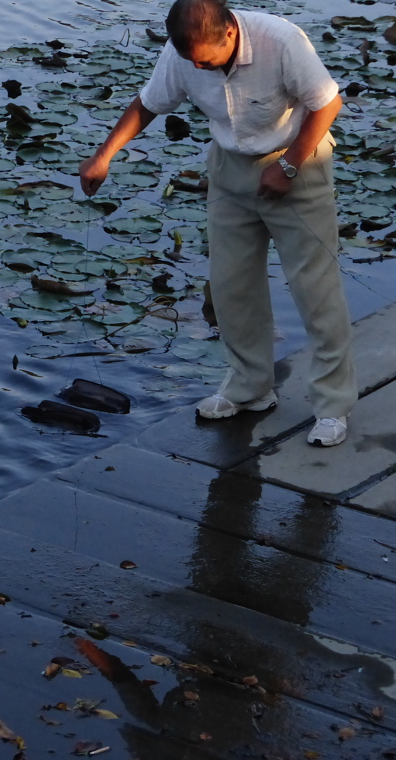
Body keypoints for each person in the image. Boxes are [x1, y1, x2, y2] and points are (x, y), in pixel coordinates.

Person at [78, 0, 357, 447]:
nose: (197, 68)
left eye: (204, 60)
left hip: (297, 164)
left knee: (315, 289)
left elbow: (327, 104)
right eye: (190, 61)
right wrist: (103, 156)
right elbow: (148, 104)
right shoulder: (184, 51)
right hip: (230, 170)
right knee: (231, 285)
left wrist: (287, 167)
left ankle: (332, 405)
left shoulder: (281, 40)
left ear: (229, 32)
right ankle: (250, 388)